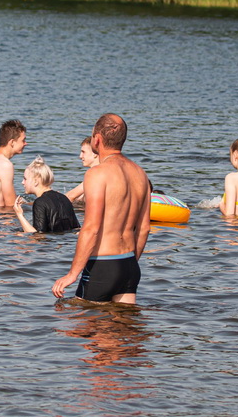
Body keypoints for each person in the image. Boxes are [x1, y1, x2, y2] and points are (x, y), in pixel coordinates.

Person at [52, 114, 150, 304]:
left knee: (79, 327)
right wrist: (129, 264)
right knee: (123, 329)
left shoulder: (96, 174)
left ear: (97, 139)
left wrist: (72, 274)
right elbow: (144, 228)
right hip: (130, 264)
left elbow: (91, 228)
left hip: (103, 265)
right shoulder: (140, 173)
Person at [13, 156, 80, 234]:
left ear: (35, 181)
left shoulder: (39, 202)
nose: (22, 182)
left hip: (51, 245)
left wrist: (19, 214)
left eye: (25, 179)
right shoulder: (63, 197)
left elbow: (38, 237)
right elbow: (77, 228)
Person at [65, 137, 100, 203]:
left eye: (83, 152)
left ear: (95, 153)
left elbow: (71, 196)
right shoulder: (105, 171)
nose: (80, 156)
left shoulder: (95, 174)